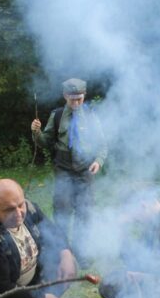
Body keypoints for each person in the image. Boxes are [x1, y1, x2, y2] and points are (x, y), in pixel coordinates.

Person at [31, 78, 107, 261]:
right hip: (63, 169)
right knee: (62, 210)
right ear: (65, 96)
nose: (76, 103)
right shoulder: (57, 116)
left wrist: (99, 161)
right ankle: (62, 252)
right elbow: (45, 142)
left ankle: (82, 253)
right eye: (72, 99)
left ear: (84, 95)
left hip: (85, 170)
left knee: (85, 212)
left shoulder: (91, 115)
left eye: (79, 99)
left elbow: (102, 144)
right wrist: (36, 133)